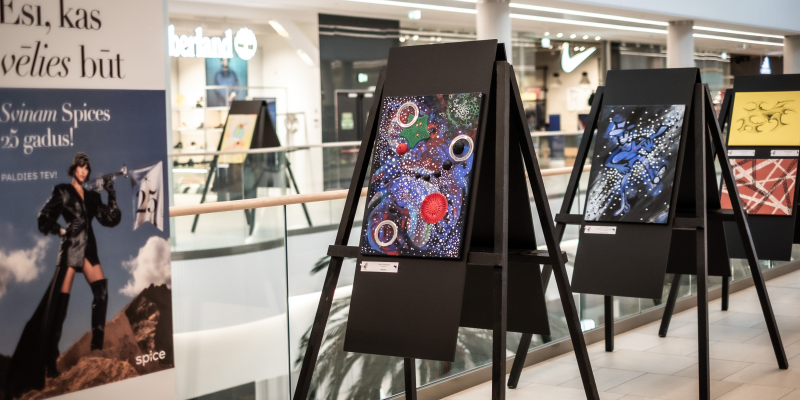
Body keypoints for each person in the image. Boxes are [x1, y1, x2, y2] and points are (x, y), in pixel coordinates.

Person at [5, 152, 121, 398]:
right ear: (73, 169)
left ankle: (97, 347)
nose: (84, 171)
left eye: (87, 168)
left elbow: (111, 219)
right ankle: (50, 361)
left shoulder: (93, 196)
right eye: (80, 166)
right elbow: (43, 218)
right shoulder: (62, 191)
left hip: (89, 249)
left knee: (101, 293)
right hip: (70, 249)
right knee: (59, 306)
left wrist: (111, 193)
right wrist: (61, 231)